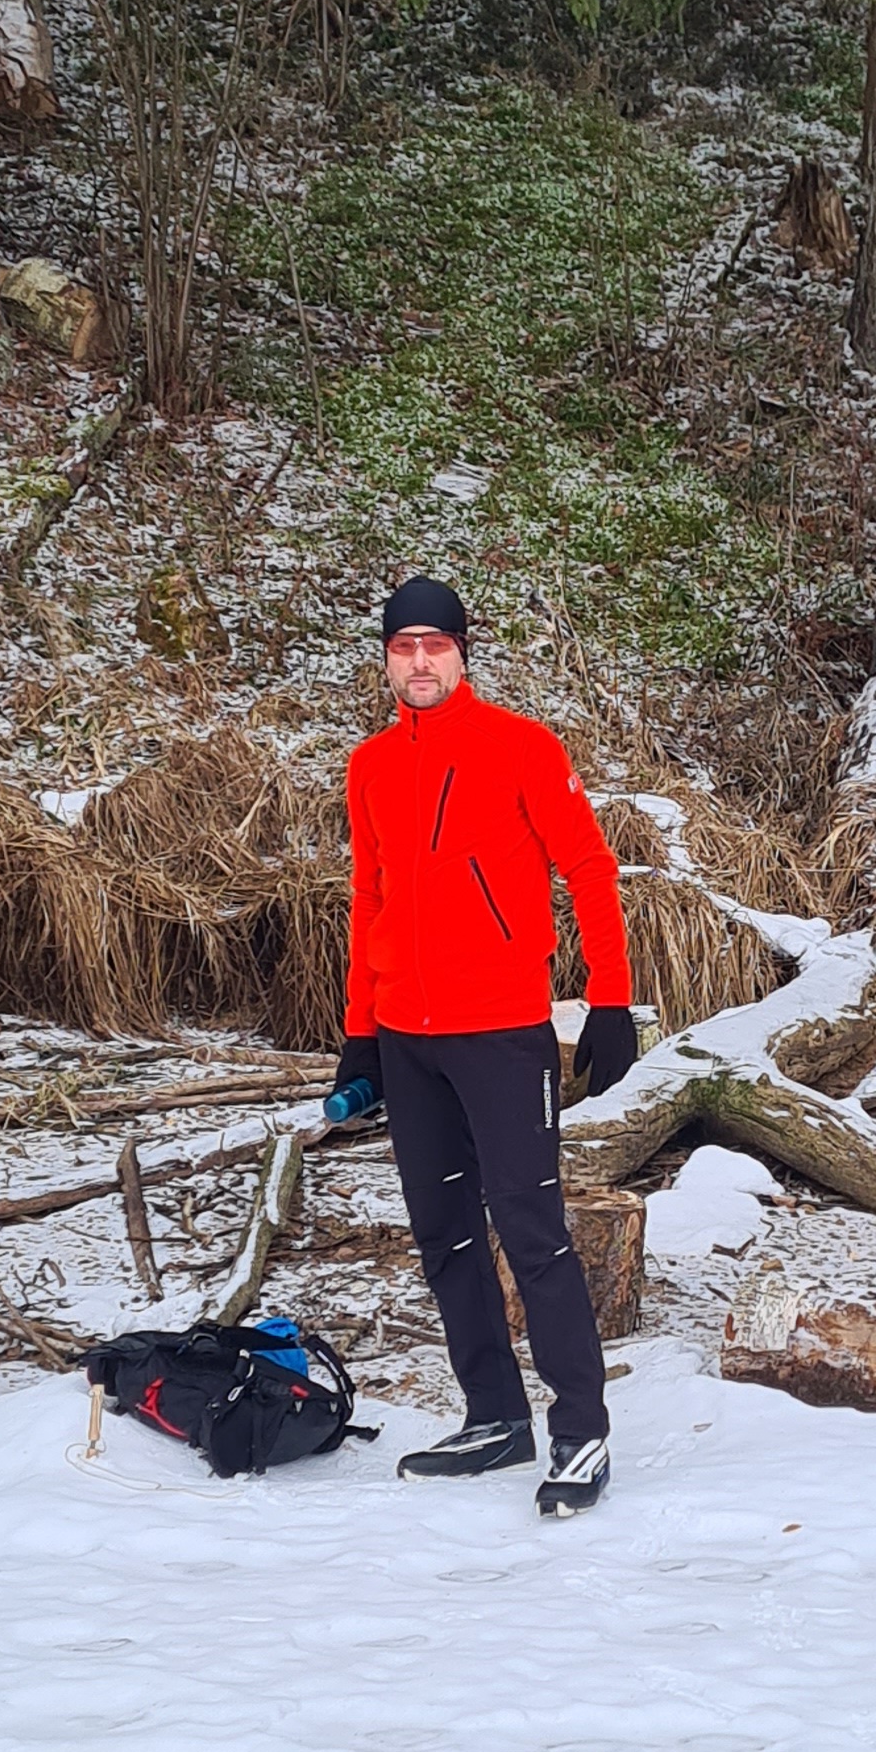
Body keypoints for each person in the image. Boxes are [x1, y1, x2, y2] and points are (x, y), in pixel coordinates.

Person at [331, 577, 643, 1518]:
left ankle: (580, 1429)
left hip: (503, 1031)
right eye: (403, 646)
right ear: (387, 660)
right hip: (407, 1037)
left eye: (436, 643)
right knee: (444, 1233)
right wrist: (359, 1034)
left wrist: (610, 1000)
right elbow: (370, 898)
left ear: (462, 654)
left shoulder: (521, 746)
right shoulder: (370, 765)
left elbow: (588, 866)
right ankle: (495, 1416)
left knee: (531, 1228)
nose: (419, 660)